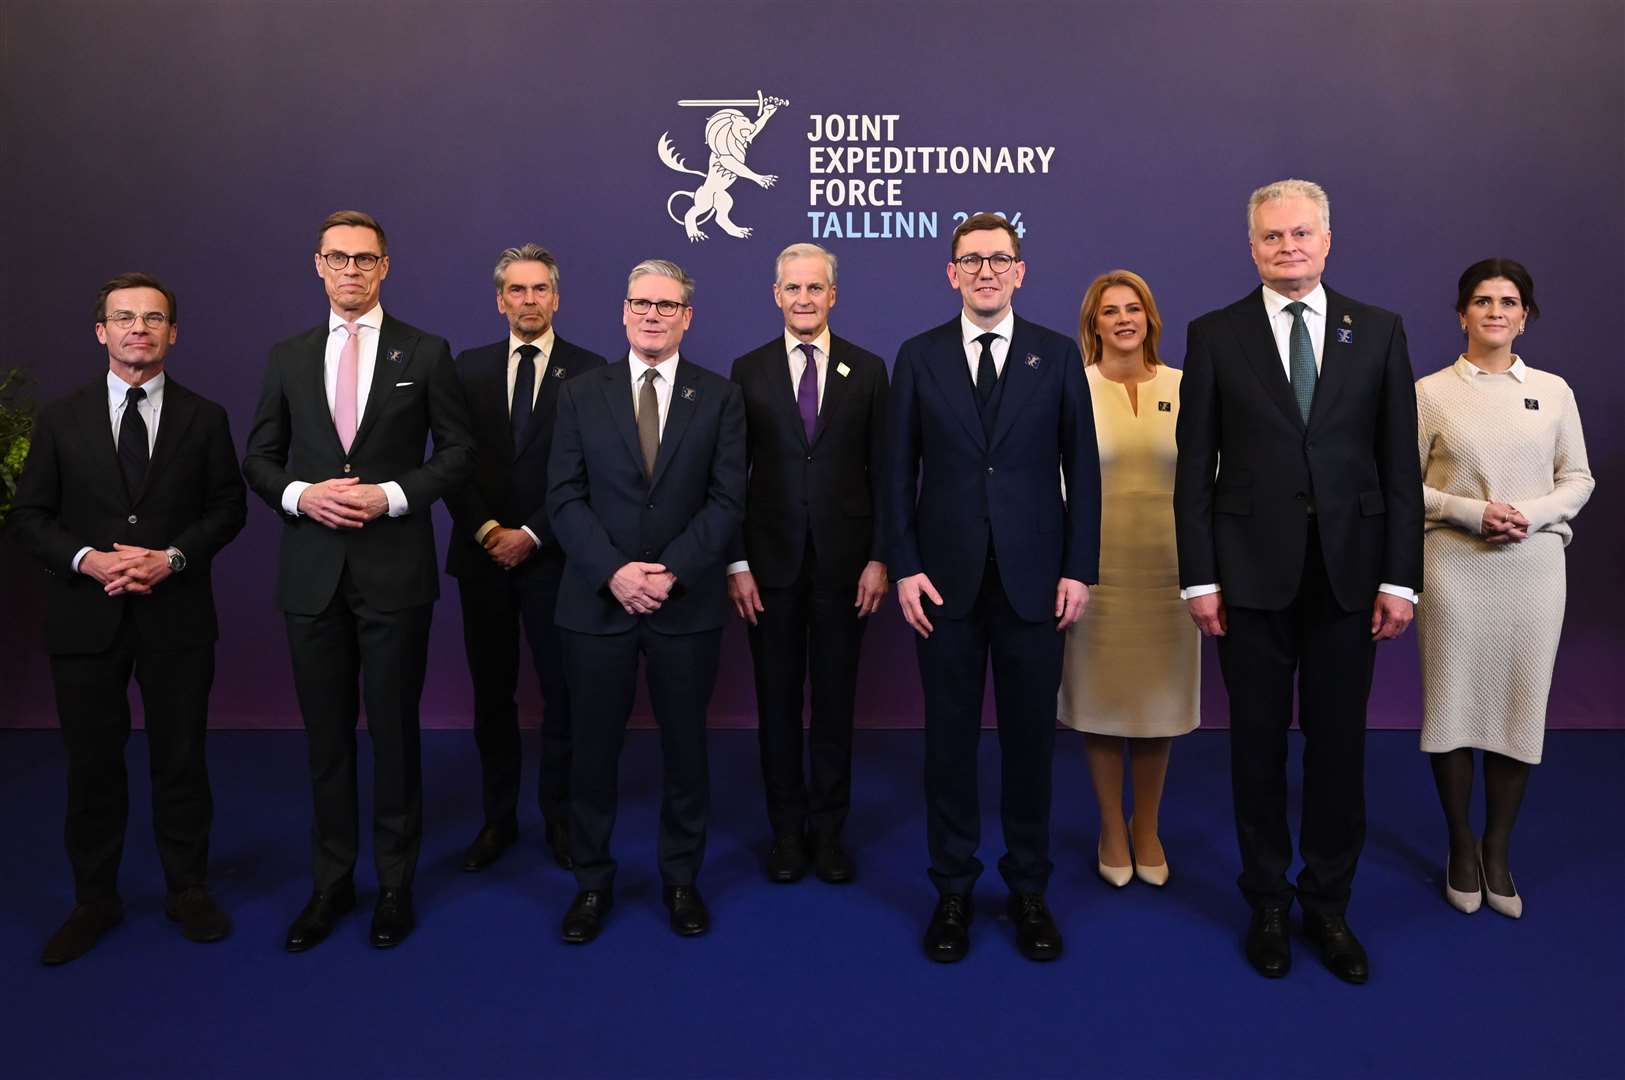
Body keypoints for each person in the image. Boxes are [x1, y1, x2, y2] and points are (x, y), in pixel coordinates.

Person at [1174, 179, 1423, 985]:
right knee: (1253, 750)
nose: (1288, 247)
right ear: (1251, 247)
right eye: (1272, 236)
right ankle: (1268, 903)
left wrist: (1401, 580)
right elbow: (1192, 472)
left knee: (1338, 749)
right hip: (1246, 578)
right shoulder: (1214, 334)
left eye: (1301, 234)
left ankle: (1327, 903)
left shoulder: (1378, 332)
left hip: (1350, 578)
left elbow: (1397, 471)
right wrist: (1198, 579)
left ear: (1327, 240)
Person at [243, 210, 474, 952]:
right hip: (312, 576)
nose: (351, 270)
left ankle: (395, 886)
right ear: (317, 265)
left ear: (385, 268)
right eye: (337, 258)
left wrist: (392, 495)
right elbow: (260, 457)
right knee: (326, 741)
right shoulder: (287, 355)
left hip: (394, 574)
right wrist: (300, 496)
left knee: (396, 736)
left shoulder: (426, 351)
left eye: (364, 259)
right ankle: (330, 883)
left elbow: (458, 452)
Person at [8, 272, 246, 964]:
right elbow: (30, 517)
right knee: (92, 765)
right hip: (87, 617)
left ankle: (187, 888)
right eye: (124, 318)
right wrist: (87, 559)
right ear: (101, 331)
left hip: (176, 617)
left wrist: (170, 558)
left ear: (172, 333)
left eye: (152, 318)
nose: (137, 328)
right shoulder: (61, 417)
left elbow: (227, 509)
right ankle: (94, 900)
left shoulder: (206, 418)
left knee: (181, 759)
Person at [883, 213, 1100, 963]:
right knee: (947, 745)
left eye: (997, 259)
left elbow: (1085, 470)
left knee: (1030, 745)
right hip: (941, 587)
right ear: (950, 273)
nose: (984, 271)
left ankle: (1028, 888)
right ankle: (952, 889)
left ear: (1020, 270)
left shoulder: (1055, 354)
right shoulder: (917, 357)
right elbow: (893, 474)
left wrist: (1079, 567)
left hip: (1037, 585)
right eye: (970, 260)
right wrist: (904, 565)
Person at [546, 259, 746, 943]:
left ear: (687, 315)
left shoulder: (718, 397)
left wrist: (671, 572)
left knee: (686, 752)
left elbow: (726, 502)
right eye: (640, 303)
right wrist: (614, 572)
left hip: (683, 605)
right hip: (597, 604)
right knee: (592, 752)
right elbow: (562, 497)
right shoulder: (580, 393)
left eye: (666, 305)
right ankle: (592, 883)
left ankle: (680, 879)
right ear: (622, 311)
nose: (652, 314)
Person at [1415, 258, 1593, 919]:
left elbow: (1576, 477)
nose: (1494, 311)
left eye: (1508, 301)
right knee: (1454, 706)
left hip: (1533, 568)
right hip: (1453, 567)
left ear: (1524, 316)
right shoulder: (1429, 392)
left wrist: (1532, 513)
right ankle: (1459, 844)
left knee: (1518, 706)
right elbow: (1400, 482)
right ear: (1461, 313)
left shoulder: (1552, 390)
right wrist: (1470, 512)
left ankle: (1497, 847)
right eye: (1481, 300)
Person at [726, 242, 889, 885]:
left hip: (847, 569)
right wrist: (735, 561)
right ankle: (785, 832)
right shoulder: (748, 369)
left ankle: (828, 831)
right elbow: (729, 475)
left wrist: (881, 557)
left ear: (833, 295)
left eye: (814, 288)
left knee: (834, 703)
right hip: (767, 569)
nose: (803, 299)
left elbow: (888, 472)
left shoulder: (870, 369)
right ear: (776, 295)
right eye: (792, 288)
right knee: (775, 702)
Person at [445, 244, 607, 874]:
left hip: (557, 559)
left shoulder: (591, 370)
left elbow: (594, 471)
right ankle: (497, 819)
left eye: (540, 289)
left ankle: (560, 819)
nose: (529, 300)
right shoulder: (467, 369)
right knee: (493, 695)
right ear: (500, 300)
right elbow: (450, 462)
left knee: (563, 696)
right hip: (481, 557)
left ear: (557, 298)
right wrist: (489, 529)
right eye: (517, 290)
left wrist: (533, 534)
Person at [1059, 270, 1197, 889]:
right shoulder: (1074, 388)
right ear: (1093, 324)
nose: (1123, 319)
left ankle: (1149, 827)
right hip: (1097, 573)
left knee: (1158, 707)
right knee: (1100, 703)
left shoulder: (1185, 387)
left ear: (1150, 319)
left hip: (1171, 573)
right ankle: (1112, 827)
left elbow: (1207, 477)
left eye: (1133, 308)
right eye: (1109, 310)